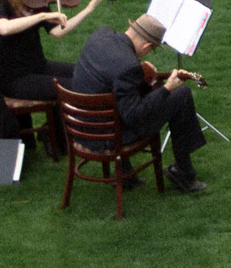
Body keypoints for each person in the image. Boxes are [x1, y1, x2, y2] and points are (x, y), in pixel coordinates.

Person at [72, 13, 211, 193]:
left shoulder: (101, 35)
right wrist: (167, 88)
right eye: (151, 49)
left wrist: (138, 68)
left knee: (121, 97)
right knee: (181, 94)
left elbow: (114, 74)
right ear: (146, 45)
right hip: (108, 137)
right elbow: (135, 115)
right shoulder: (128, 67)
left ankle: (126, 173)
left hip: (79, 126)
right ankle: (183, 172)